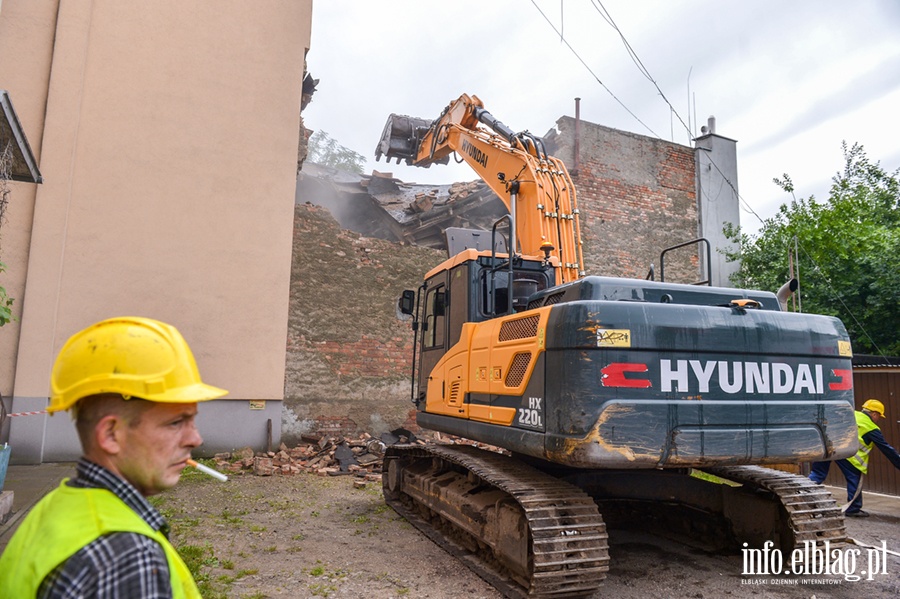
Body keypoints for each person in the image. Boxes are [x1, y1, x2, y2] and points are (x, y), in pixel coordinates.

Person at [0, 317, 227, 598]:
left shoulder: (57, 508)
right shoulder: (127, 557)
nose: (196, 439)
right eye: (175, 423)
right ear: (110, 434)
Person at [809, 398, 900, 517]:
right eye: (879, 416)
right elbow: (887, 450)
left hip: (826, 445)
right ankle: (853, 509)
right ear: (874, 414)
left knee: (817, 473)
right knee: (854, 478)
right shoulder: (871, 427)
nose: (878, 420)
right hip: (847, 455)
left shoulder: (851, 414)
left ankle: (801, 493)